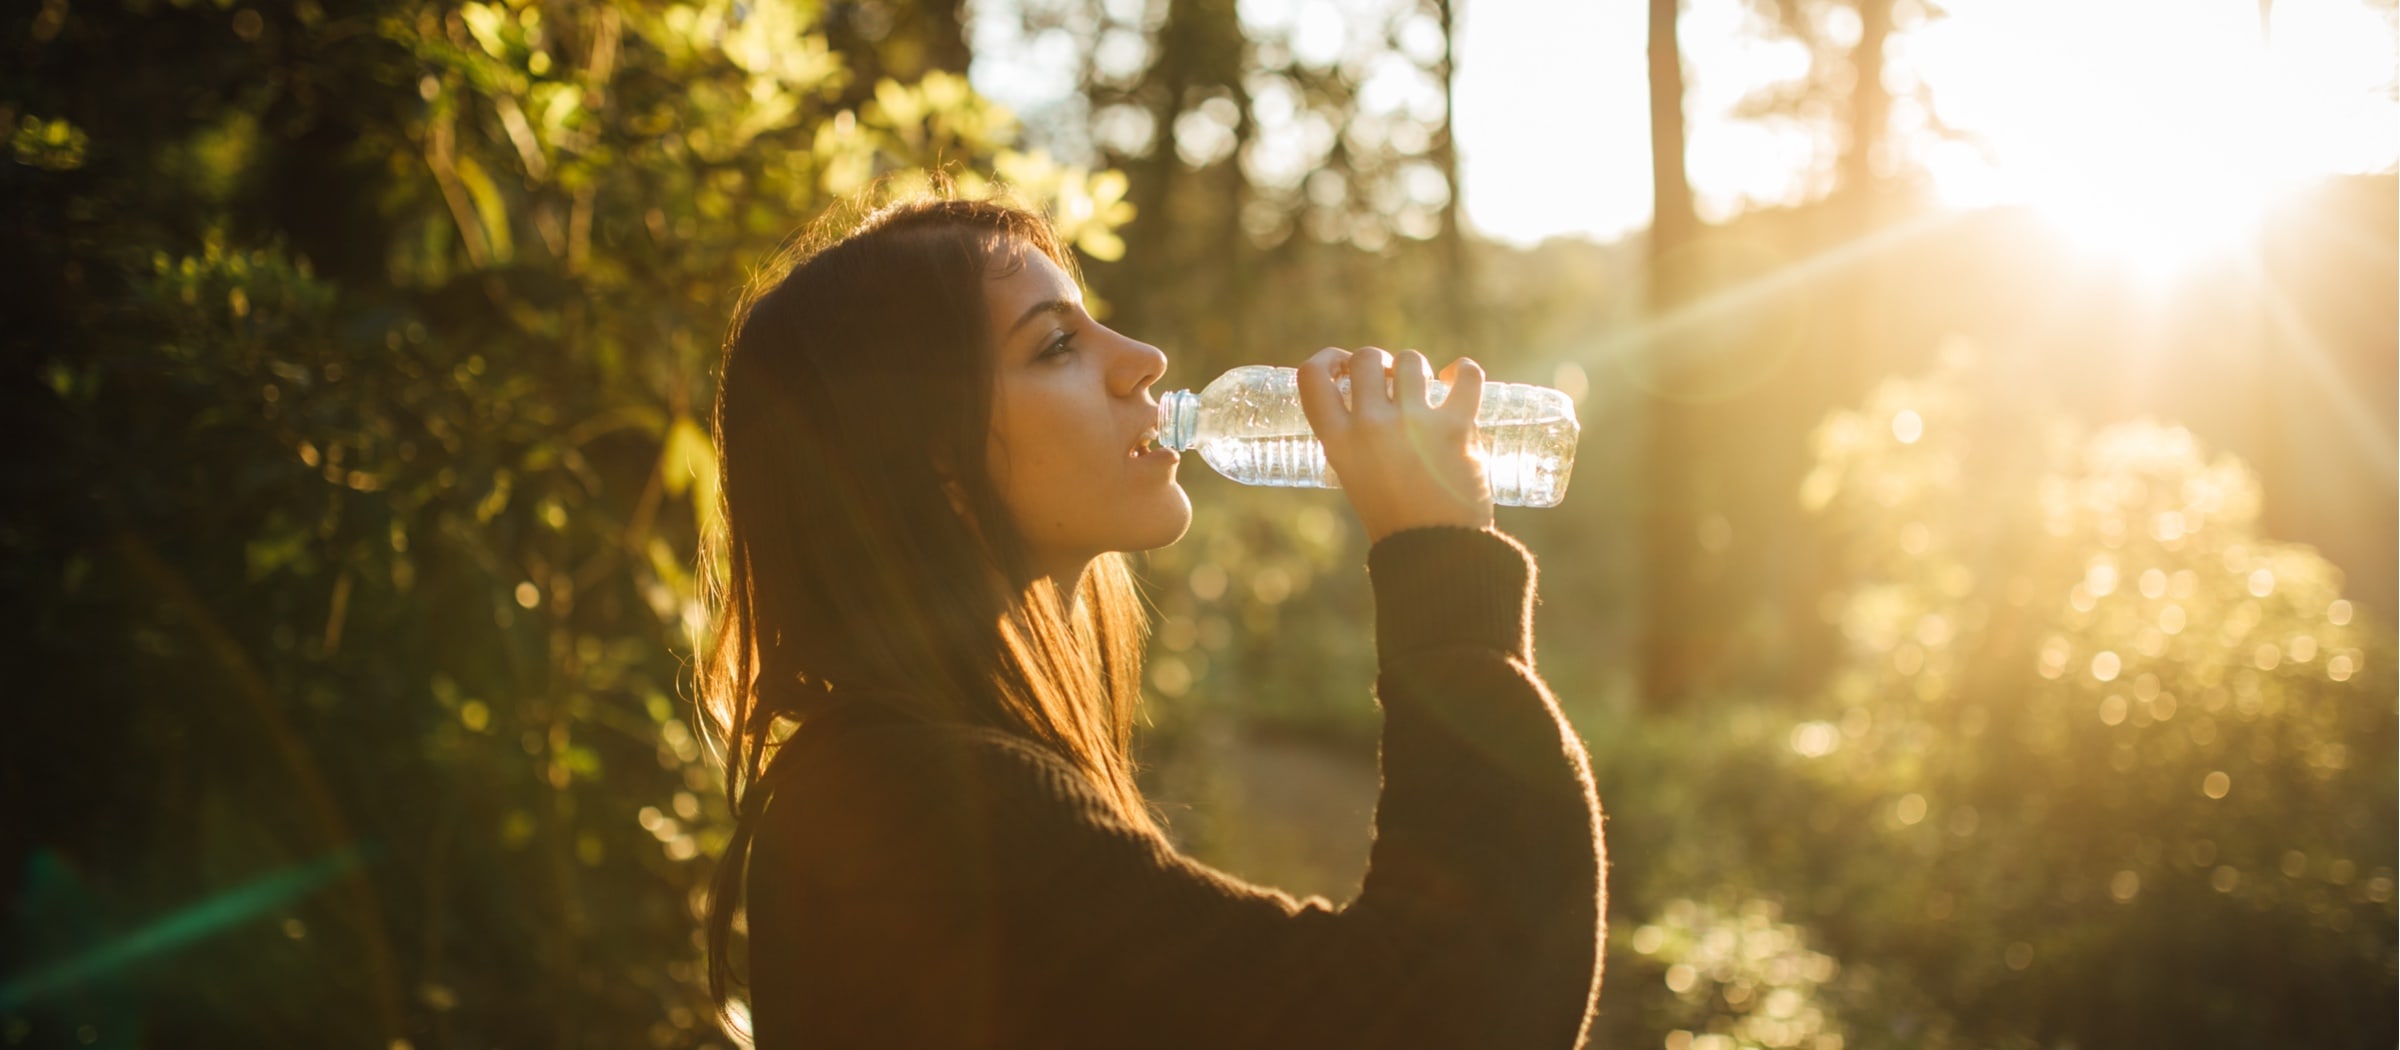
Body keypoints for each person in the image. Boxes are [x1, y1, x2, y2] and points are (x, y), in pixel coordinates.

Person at [697, 191, 1605, 1049]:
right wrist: (1439, 567)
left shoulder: (891, 780)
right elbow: (1453, 1013)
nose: (1142, 359)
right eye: (1055, 346)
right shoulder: (931, 810)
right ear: (932, 468)